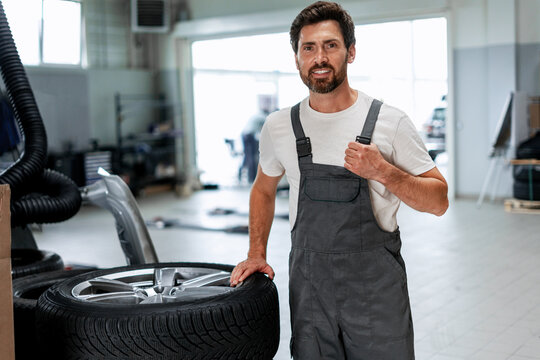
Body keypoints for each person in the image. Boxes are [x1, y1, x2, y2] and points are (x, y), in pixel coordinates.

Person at [230, 1, 448, 359]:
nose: (319, 57)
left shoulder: (389, 123)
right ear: (296, 57)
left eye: (331, 45)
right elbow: (263, 188)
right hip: (311, 297)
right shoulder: (279, 126)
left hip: (376, 295)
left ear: (351, 52)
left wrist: (383, 171)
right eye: (309, 47)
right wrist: (256, 253)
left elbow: (439, 201)